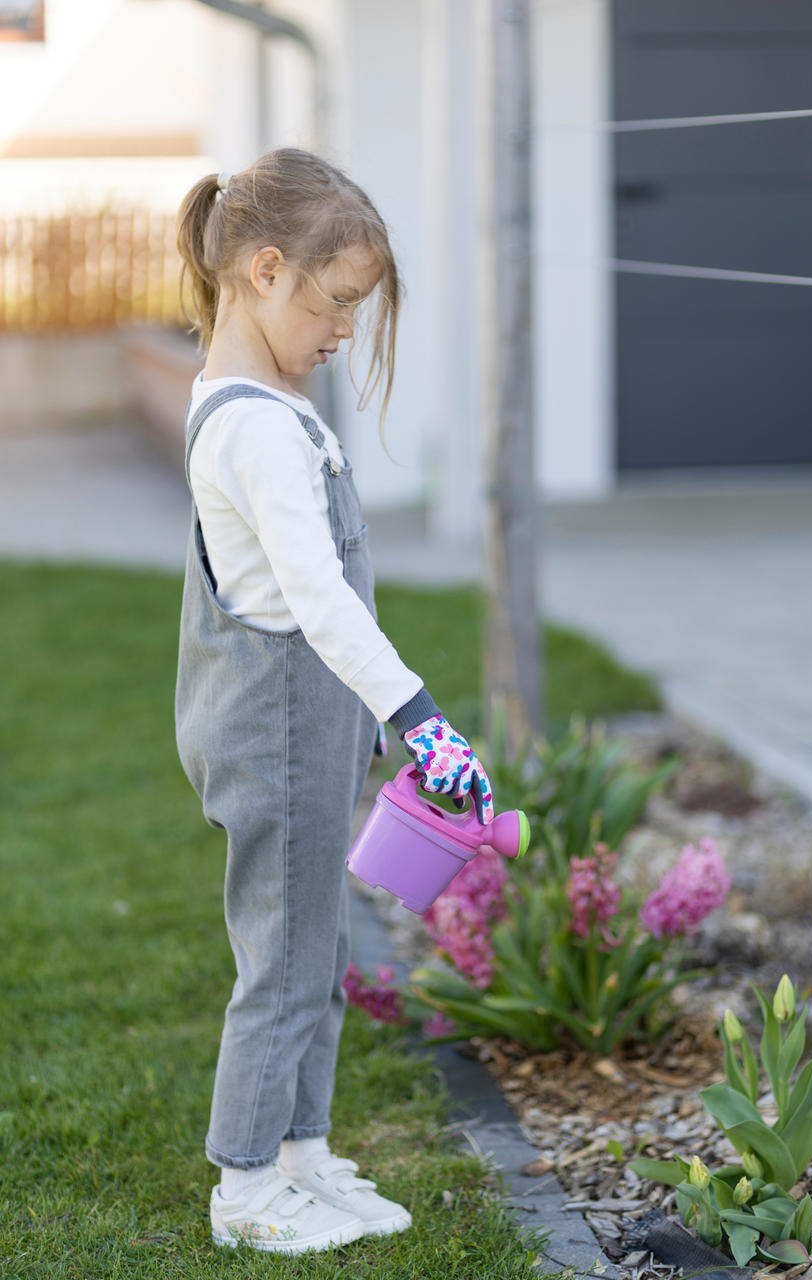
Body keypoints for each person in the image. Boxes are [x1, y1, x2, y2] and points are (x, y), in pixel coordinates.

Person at [173, 147, 493, 1255]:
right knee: (284, 961)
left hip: (305, 727)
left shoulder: (249, 401)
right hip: (278, 734)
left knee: (315, 947)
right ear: (266, 270)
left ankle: (301, 1149)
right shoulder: (257, 426)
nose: (347, 329)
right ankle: (245, 1184)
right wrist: (418, 715)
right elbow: (314, 596)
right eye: (339, 300)